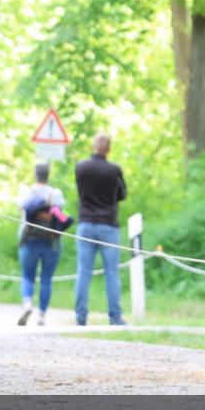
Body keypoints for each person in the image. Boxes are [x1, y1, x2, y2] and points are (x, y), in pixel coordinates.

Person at [74, 132, 128, 326]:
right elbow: (122, 194)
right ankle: (115, 317)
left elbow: (81, 191)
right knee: (112, 273)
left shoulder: (80, 167)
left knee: (83, 272)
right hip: (108, 225)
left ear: (93, 146)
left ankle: (81, 317)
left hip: (86, 223)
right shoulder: (114, 170)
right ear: (108, 149)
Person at [16, 163, 65, 326]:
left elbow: (20, 209)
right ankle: (41, 316)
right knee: (46, 278)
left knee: (27, 275)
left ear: (35, 174)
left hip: (29, 240)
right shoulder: (55, 194)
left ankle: (27, 304)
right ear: (48, 175)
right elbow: (60, 213)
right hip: (50, 241)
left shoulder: (26, 192)